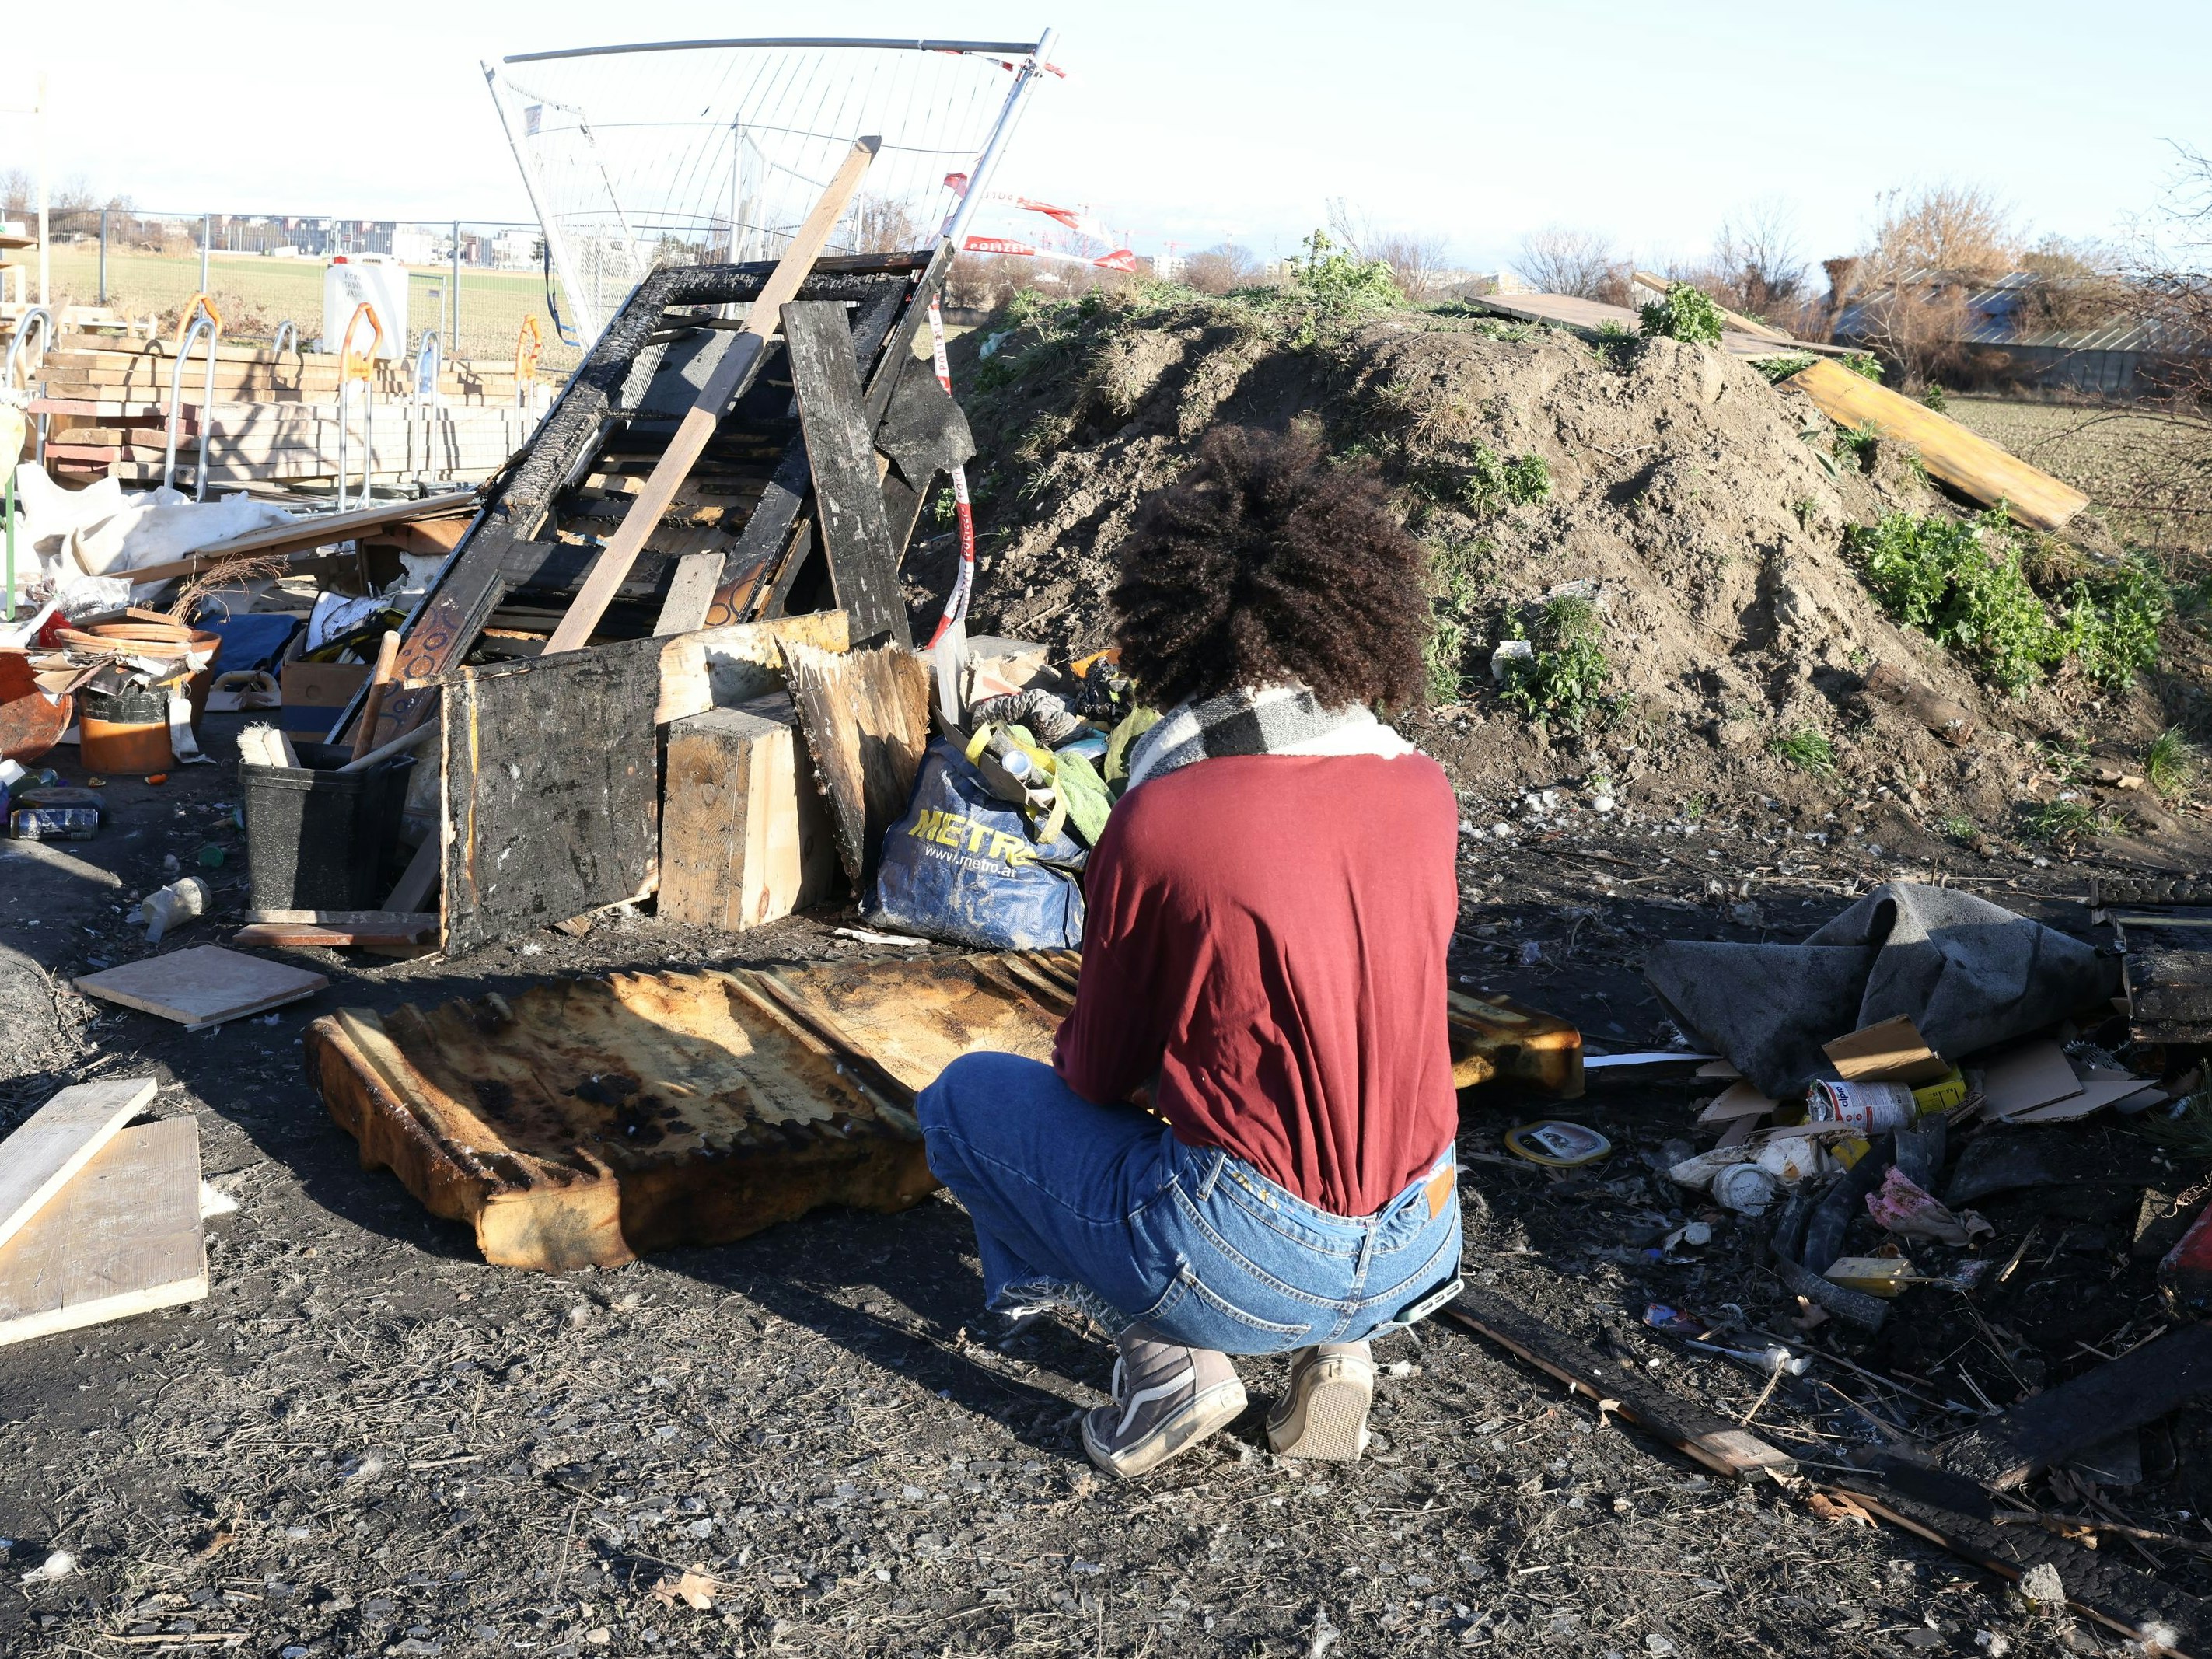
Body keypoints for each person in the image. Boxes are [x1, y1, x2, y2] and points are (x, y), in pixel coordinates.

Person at [916, 422, 1463, 1479]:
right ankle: (1338, 1351)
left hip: (1247, 1252)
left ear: (1174, 628)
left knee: (963, 1102)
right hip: (1419, 1236)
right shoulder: (1420, 787)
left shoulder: (1166, 815)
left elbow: (1096, 1071)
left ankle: (1171, 1364)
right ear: (1359, 612)